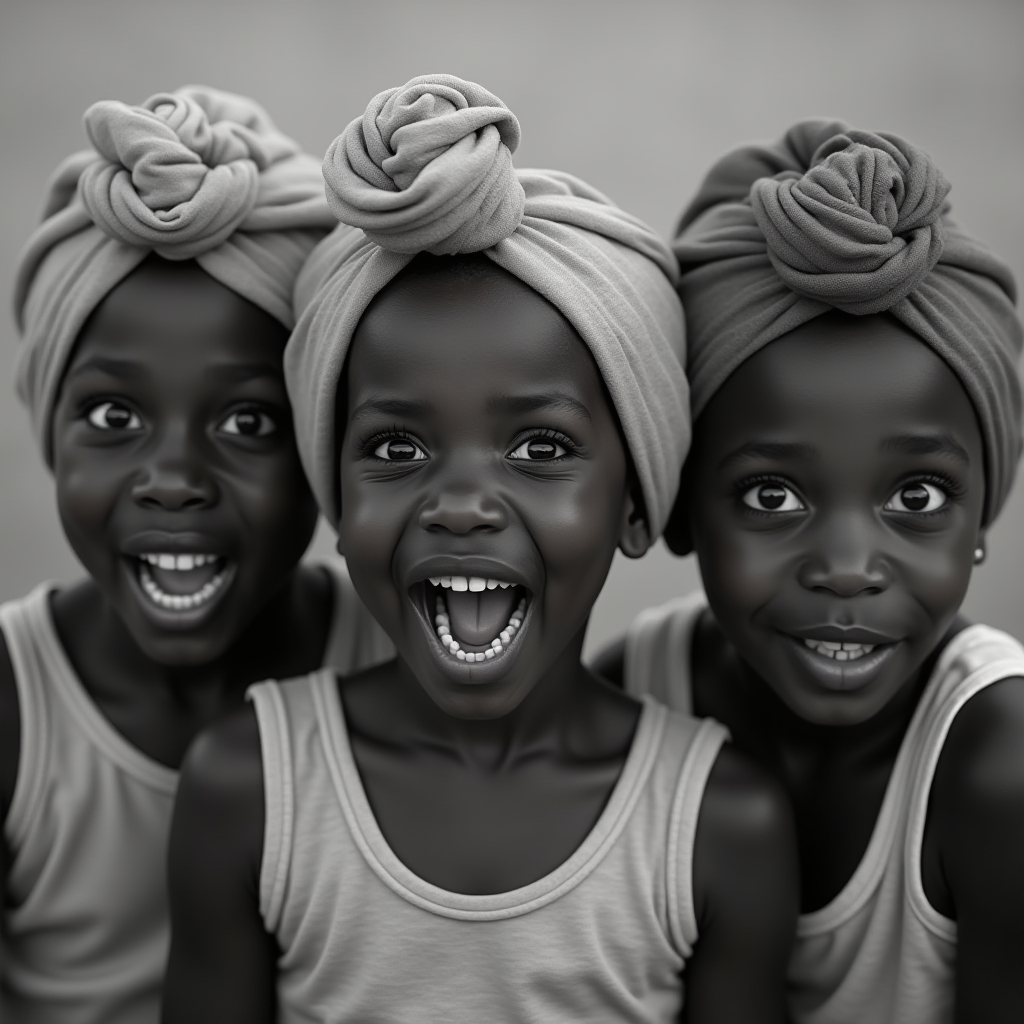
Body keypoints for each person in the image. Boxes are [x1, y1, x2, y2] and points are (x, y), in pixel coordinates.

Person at [162, 75, 797, 1024]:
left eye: (540, 449)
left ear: (636, 504)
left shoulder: (718, 823)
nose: (460, 504)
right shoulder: (250, 787)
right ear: (336, 499)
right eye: (395, 448)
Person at [594, 120, 1024, 1023]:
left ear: (983, 514)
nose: (846, 569)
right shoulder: (634, 696)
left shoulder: (997, 766)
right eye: (772, 497)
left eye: (916, 498)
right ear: (680, 508)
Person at [2, 86, 391, 1023]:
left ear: (320, 448)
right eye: (113, 416)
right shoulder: (16, 708)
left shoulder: (394, 670)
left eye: (249, 420)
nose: (172, 479)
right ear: (51, 432)